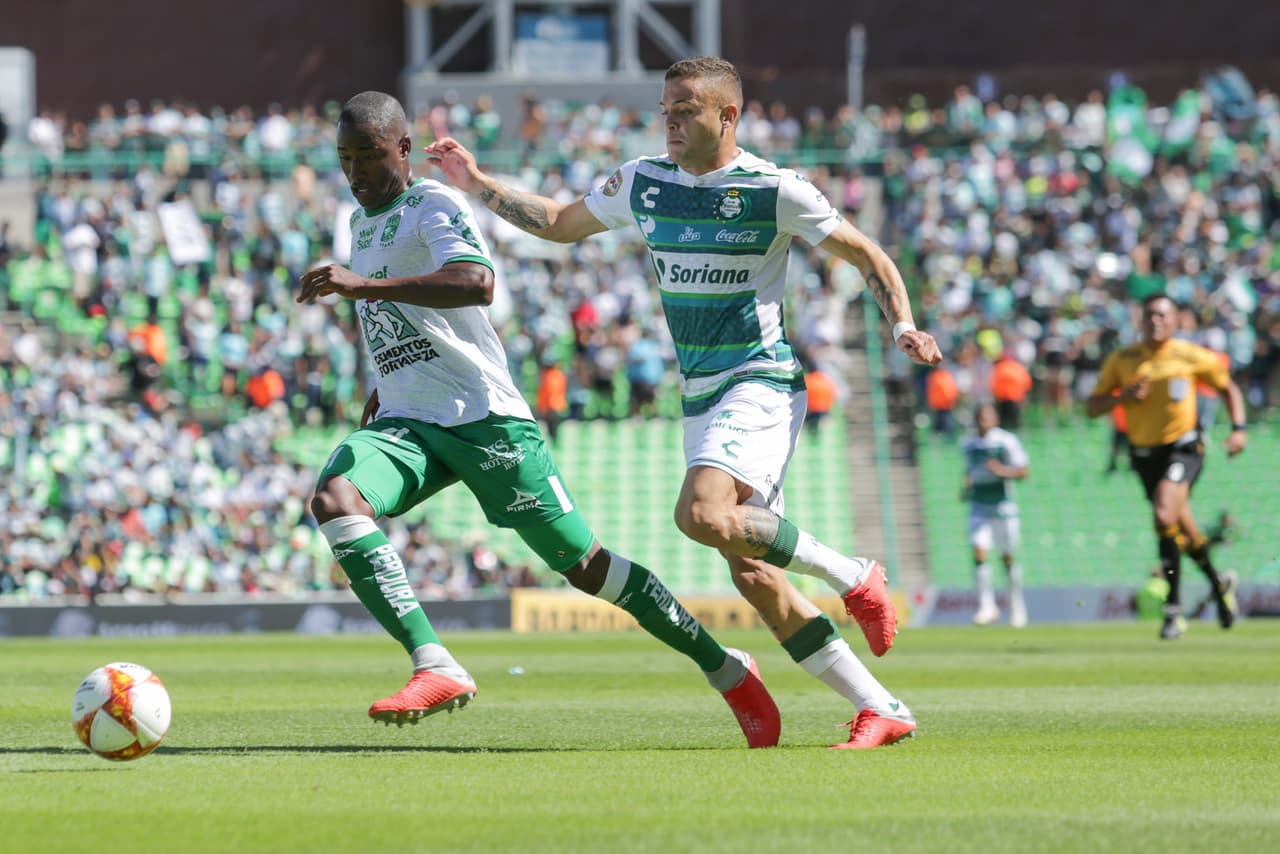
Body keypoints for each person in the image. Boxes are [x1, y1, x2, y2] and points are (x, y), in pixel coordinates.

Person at [425, 56, 943, 749]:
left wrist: (904, 325)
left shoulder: (773, 189)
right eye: (666, 109)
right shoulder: (645, 182)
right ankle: (884, 706)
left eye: (686, 109)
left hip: (759, 380)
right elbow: (556, 221)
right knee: (754, 574)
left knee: (701, 514)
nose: (670, 121)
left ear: (727, 115)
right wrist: (478, 183)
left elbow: (868, 255)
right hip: (700, 395)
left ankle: (855, 575)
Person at [296, 91, 779, 748]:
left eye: (370, 156)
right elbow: (400, 326)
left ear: (404, 150)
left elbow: (476, 282)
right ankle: (434, 663)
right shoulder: (360, 224)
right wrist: (381, 387)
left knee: (587, 568)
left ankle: (725, 667)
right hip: (408, 420)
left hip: (483, 419)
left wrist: (364, 286)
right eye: (346, 158)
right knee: (334, 497)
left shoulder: (433, 204)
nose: (356, 172)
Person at [1085, 294, 1246, 640]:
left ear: (1176, 321)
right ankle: (1219, 585)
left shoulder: (1190, 354)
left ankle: (1173, 609)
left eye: (1163, 315)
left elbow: (1227, 387)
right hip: (1144, 454)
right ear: (1140, 320)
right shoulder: (1123, 359)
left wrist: (1239, 429)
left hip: (1184, 446)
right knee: (1177, 525)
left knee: (1162, 514)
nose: (1156, 320)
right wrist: (1122, 398)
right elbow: (1092, 407)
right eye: (1150, 315)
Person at [960, 404, 1030, 627]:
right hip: (979, 506)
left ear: (995, 419)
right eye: (980, 417)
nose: (984, 422)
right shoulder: (968, 444)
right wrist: (966, 486)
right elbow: (969, 471)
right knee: (979, 553)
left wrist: (1001, 471)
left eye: (987, 417)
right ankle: (986, 606)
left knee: (1007, 557)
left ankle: (1016, 606)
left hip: (1003, 508)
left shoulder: (1006, 441)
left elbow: (1023, 471)